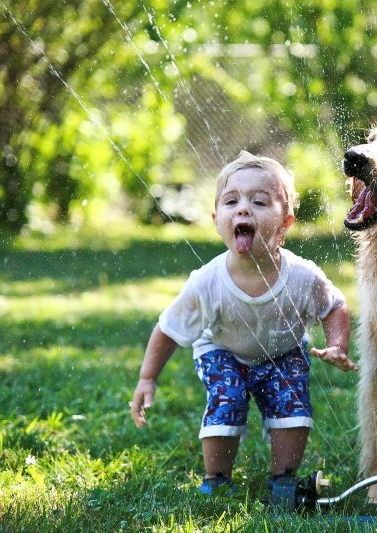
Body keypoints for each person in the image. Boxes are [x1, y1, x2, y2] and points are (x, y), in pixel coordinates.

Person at [129, 151, 357, 495]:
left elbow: (334, 306)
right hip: (222, 351)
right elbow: (168, 328)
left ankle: (283, 478)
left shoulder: (302, 275)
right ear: (216, 219)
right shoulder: (206, 282)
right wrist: (147, 378)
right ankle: (217, 479)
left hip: (284, 351)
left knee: (293, 406)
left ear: (285, 223)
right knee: (228, 397)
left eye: (260, 201)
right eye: (231, 201)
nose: (243, 208)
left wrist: (338, 344)